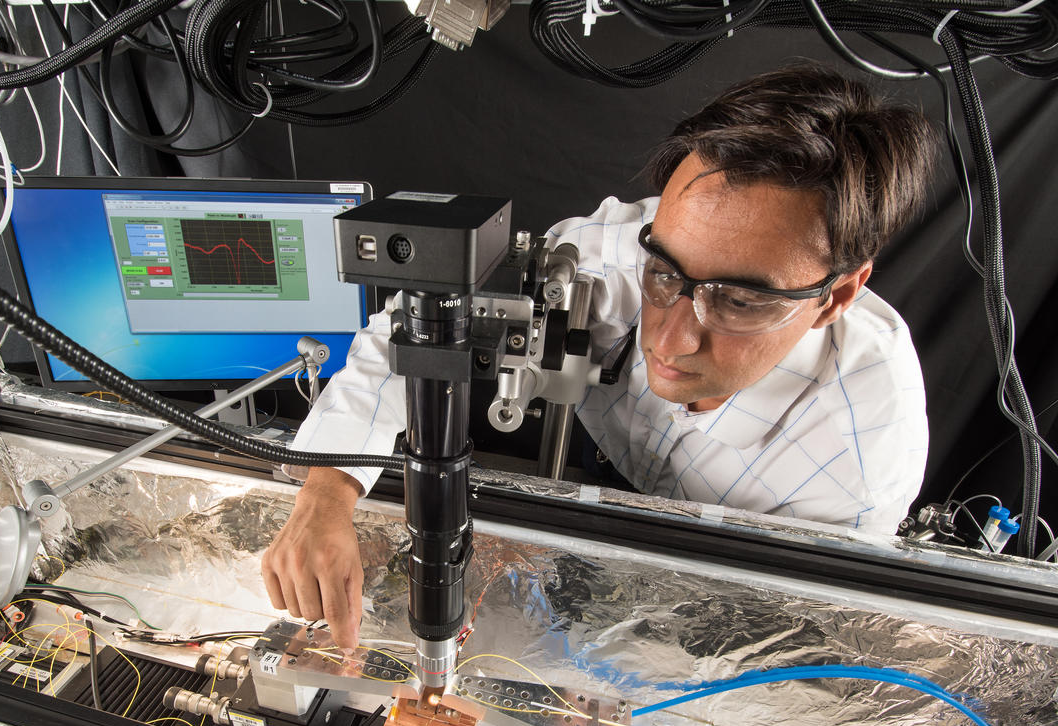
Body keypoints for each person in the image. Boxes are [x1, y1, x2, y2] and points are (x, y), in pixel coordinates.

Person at [262, 62, 939, 647]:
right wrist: (328, 489)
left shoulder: (861, 455)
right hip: (598, 469)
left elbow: (787, 638)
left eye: (738, 303)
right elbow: (418, 325)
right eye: (665, 274)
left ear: (837, 294)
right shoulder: (613, 252)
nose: (669, 341)